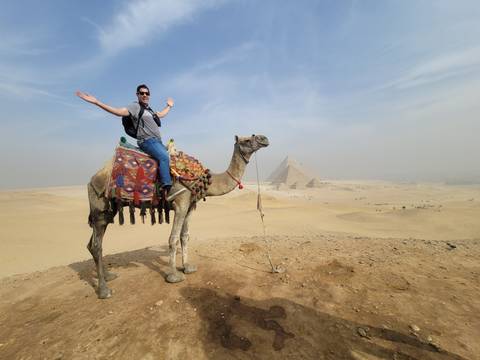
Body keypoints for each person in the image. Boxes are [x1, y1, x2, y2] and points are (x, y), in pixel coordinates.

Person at [76, 84, 176, 195]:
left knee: (172, 159)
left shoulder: (149, 110)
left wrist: (169, 106)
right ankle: (166, 187)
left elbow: (161, 115)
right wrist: (97, 102)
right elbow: (118, 112)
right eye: (141, 93)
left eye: (147, 93)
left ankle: (158, 183)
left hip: (157, 142)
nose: (144, 95)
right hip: (147, 141)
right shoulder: (135, 107)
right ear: (137, 95)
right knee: (164, 157)